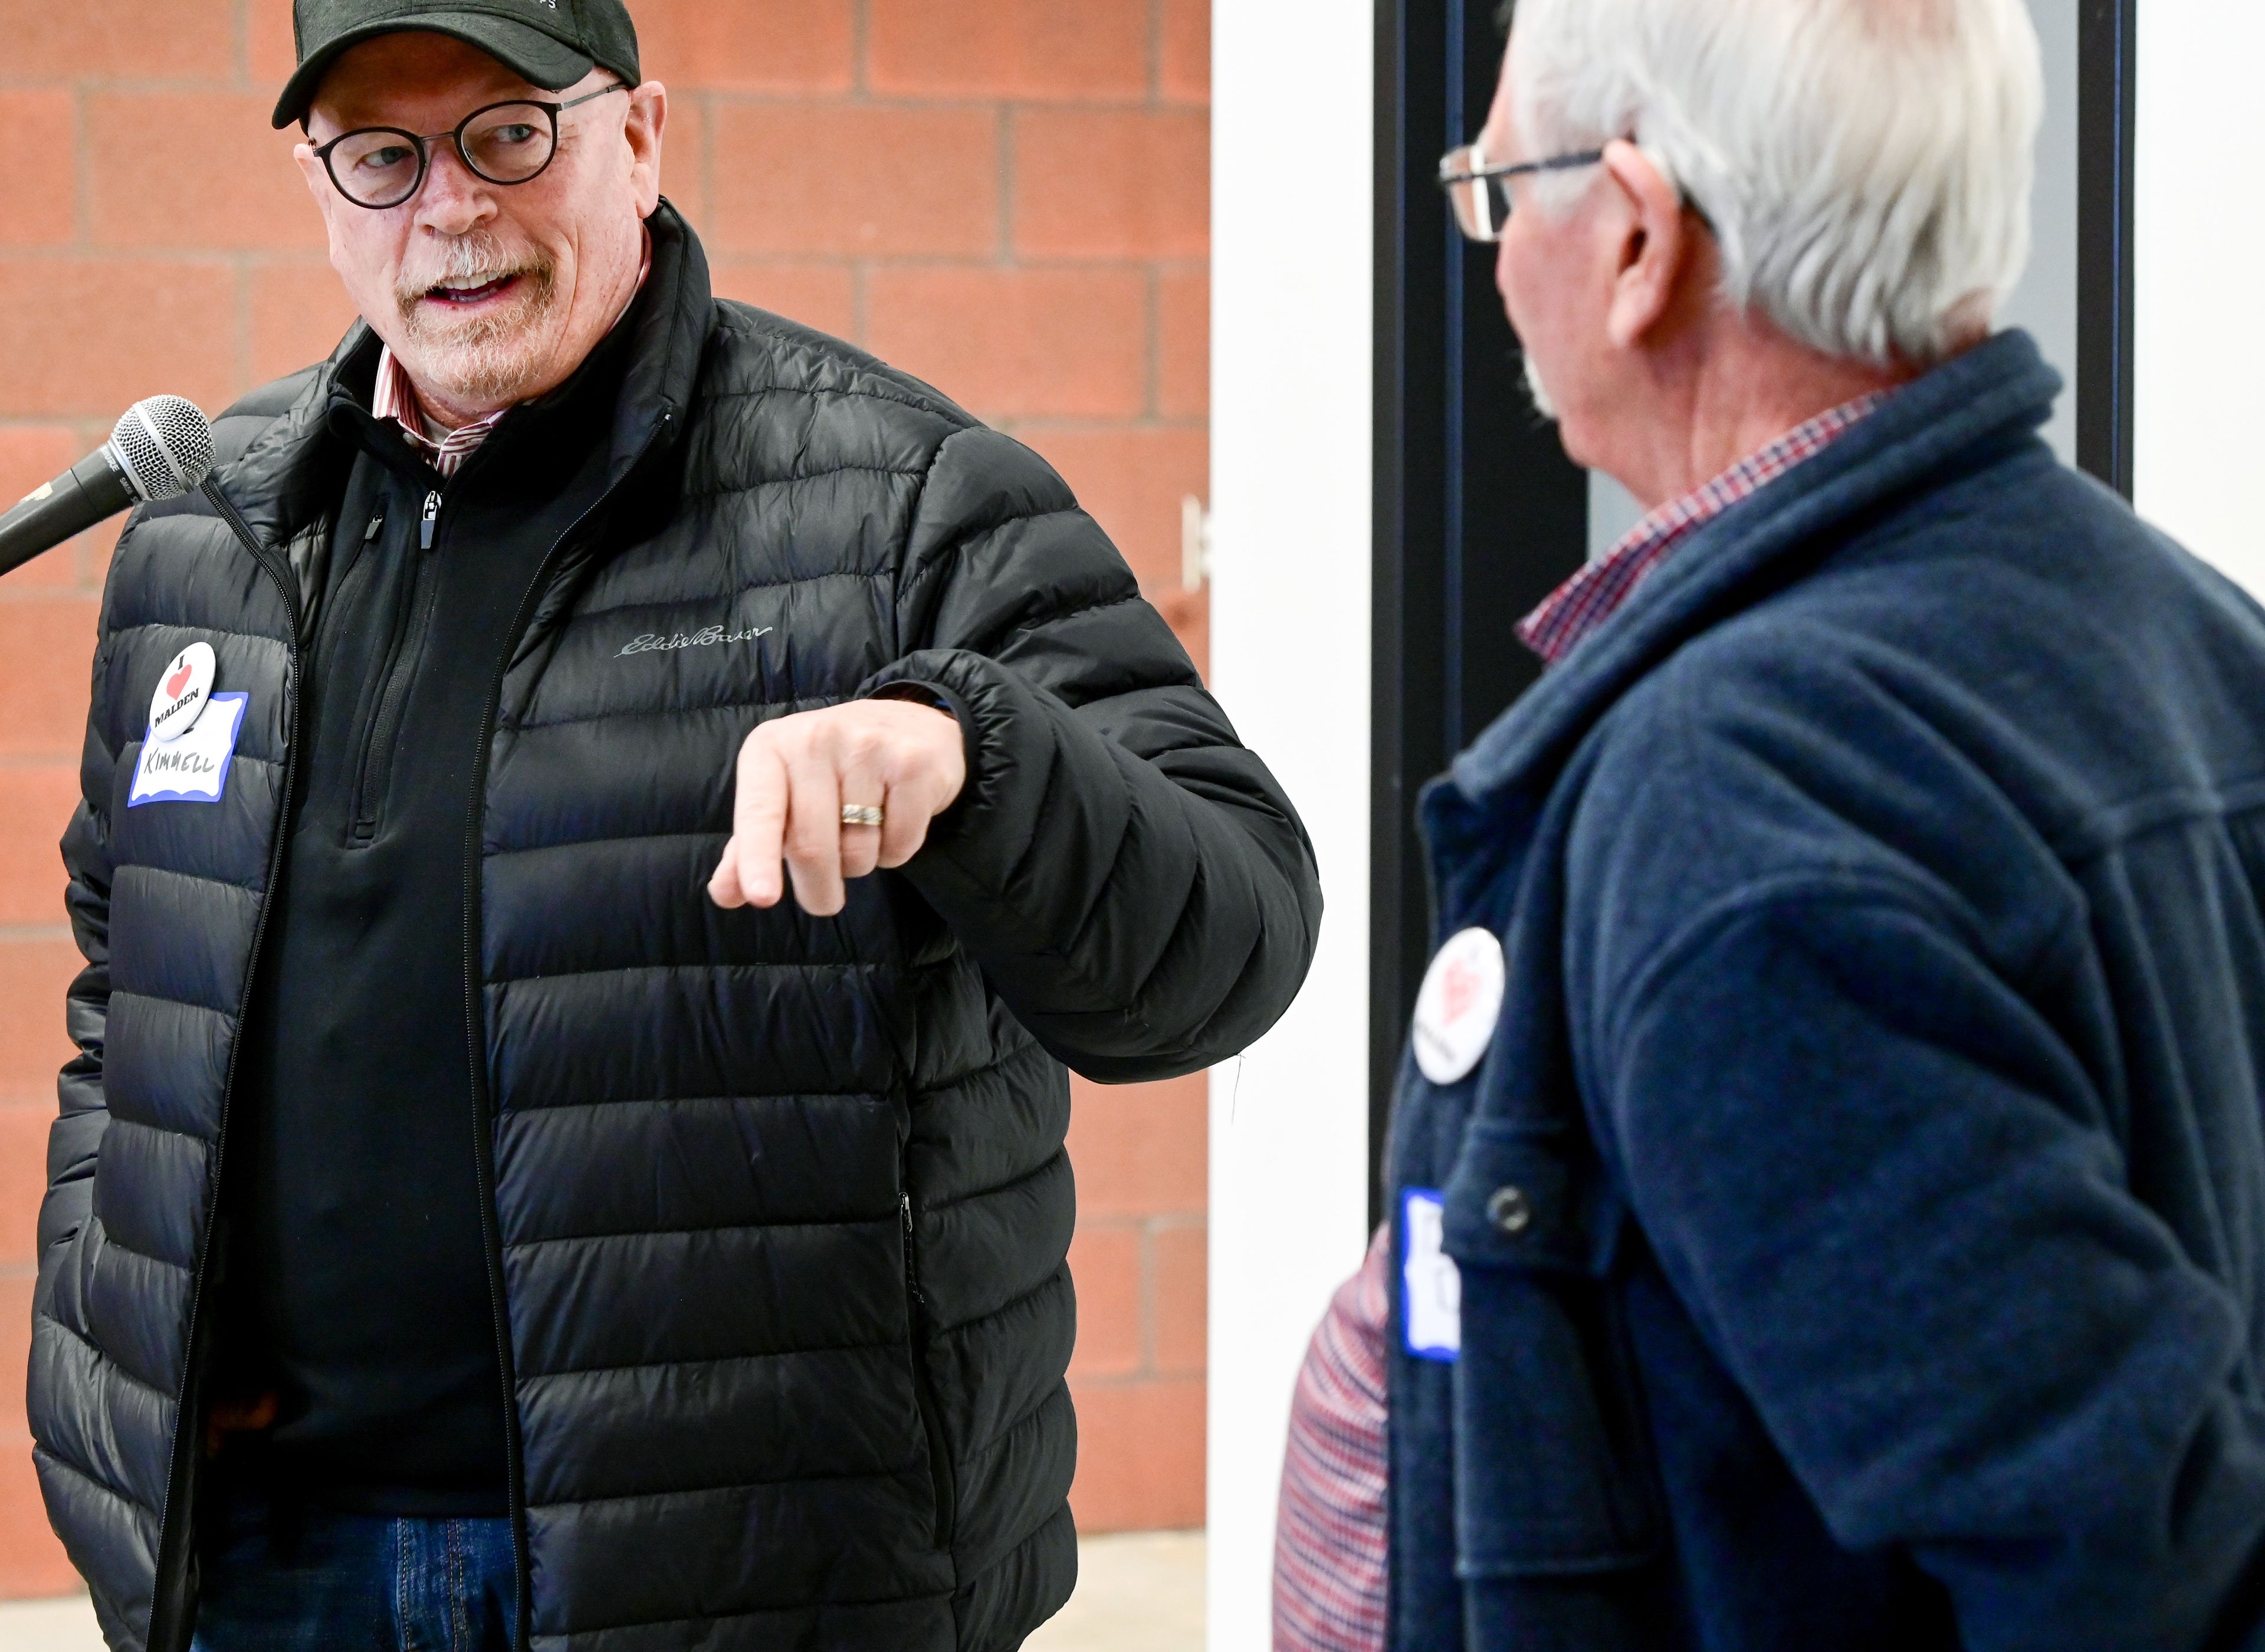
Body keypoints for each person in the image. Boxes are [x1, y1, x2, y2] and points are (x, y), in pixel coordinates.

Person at [25, 2, 1321, 1648]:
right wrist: (100, 1380)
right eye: (382, 155)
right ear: (319, 185)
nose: (449, 206)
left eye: (509, 133)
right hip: (273, 1570)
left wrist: (970, 757)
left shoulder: (908, 501)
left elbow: (1238, 935)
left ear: (638, 136)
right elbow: (124, 999)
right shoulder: (204, 539)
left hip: (740, 1583)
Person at [1383, 0, 2265, 1647]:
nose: (1496, 262)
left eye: (1500, 192)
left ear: (1639, 237)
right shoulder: (2190, 636)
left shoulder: (1738, 797)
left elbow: (2111, 1557)